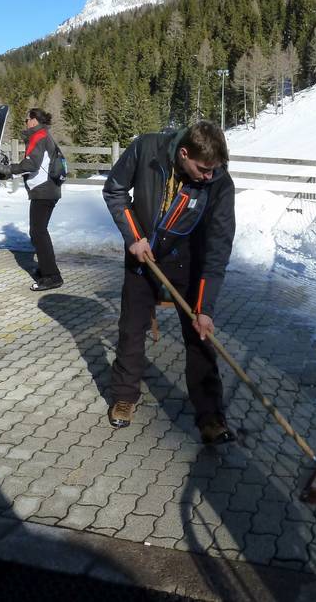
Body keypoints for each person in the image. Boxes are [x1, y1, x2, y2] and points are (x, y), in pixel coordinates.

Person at [102, 120, 236, 444]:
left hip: (188, 262)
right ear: (184, 153)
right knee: (131, 328)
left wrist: (205, 308)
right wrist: (134, 237)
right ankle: (124, 396)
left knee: (199, 335)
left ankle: (210, 416)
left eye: (214, 169)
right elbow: (114, 190)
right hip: (143, 254)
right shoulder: (146, 149)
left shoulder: (219, 183)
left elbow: (218, 248)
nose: (208, 176)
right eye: (203, 169)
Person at [0, 108, 63, 291]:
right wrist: (9, 174)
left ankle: (52, 276)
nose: (25, 123)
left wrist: (7, 169)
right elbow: (34, 166)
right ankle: (47, 270)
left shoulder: (38, 136)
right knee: (38, 232)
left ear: (34, 121)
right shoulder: (43, 135)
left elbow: (31, 164)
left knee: (38, 232)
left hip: (44, 190)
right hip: (47, 189)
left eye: (26, 119)